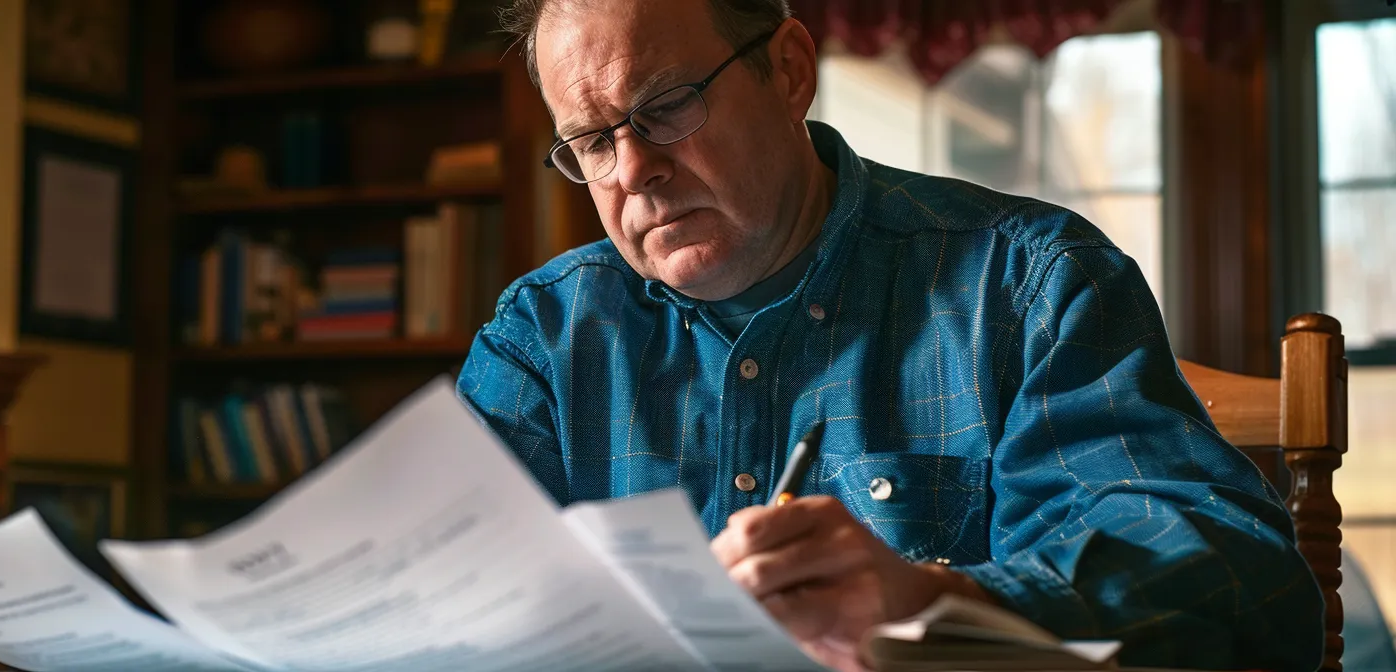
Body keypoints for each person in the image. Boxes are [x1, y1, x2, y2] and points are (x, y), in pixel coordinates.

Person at [453, 0, 1326, 670]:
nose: (635, 169)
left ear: (790, 71)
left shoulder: (1028, 285)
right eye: (591, 141)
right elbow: (452, 608)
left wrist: (934, 600)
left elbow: (1246, 592)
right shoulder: (543, 338)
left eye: (667, 107)